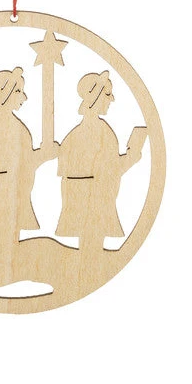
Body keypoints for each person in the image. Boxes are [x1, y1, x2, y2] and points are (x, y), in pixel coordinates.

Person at [56, 71, 144, 250]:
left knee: (87, 251)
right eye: (107, 94)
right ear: (95, 96)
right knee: (91, 250)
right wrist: (131, 158)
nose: (112, 99)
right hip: (94, 207)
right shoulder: (102, 134)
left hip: (82, 207)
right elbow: (110, 172)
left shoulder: (72, 136)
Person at [0, 67, 57, 246]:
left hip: (8, 193)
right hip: (3, 195)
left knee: (8, 238)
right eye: (18, 91)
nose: (24, 97)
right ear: (6, 94)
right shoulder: (9, 131)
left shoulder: (12, 130)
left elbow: (24, 162)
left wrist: (42, 155)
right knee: (5, 237)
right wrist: (43, 155)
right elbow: (23, 163)